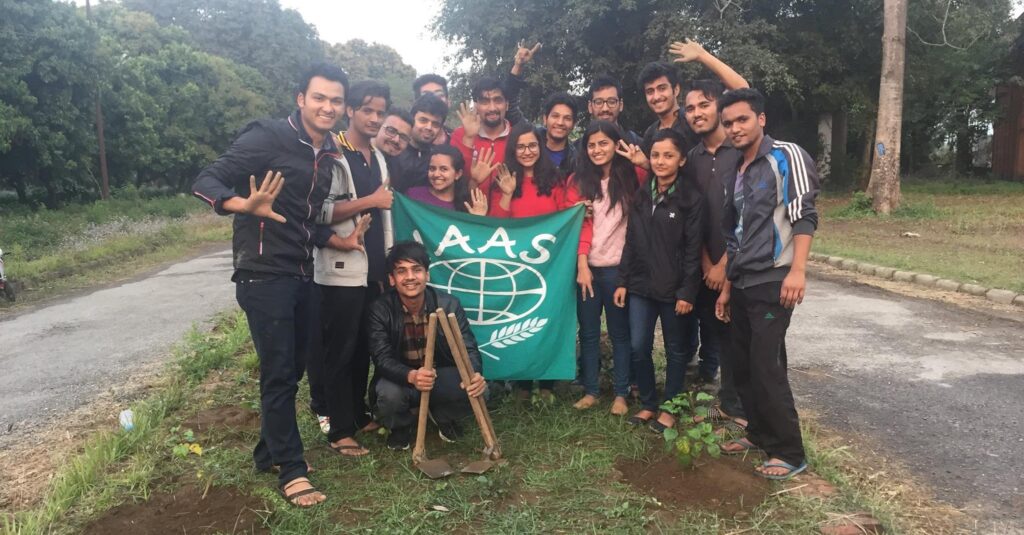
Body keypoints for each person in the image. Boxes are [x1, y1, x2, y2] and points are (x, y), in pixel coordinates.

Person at [190, 63, 352, 507]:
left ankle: (269, 451)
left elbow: (302, 220)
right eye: (319, 97)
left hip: (302, 272)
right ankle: (291, 469)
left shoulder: (327, 154)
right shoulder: (267, 136)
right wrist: (243, 204)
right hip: (263, 274)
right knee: (279, 372)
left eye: (336, 100)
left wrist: (339, 239)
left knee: (294, 368)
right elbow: (205, 180)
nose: (327, 106)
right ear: (301, 98)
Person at [715, 88, 819, 481]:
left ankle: (790, 452)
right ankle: (758, 433)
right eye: (728, 123)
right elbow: (735, 235)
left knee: (767, 365)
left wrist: (798, 270)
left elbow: (803, 214)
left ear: (761, 119)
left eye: (742, 119)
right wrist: (726, 287)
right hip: (741, 281)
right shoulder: (737, 170)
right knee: (743, 365)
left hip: (775, 278)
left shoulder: (785, 156)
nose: (735, 128)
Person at [309, 80, 394, 447]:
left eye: (380, 111)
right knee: (340, 350)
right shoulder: (332, 154)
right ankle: (339, 429)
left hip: (373, 269)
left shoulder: (377, 156)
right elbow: (318, 211)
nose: (374, 118)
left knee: (364, 346)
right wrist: (369, 200)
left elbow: (385, 211)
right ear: (351, 111)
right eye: (367, 110)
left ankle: (358, 415)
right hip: (340, 269)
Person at [613, 128, 703, 434]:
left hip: (675, 290)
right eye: (655, 155)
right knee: (639, 346)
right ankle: (650, 403)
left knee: (676, 350)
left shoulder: (691, 199)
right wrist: (623, 281)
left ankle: (670, 407)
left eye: (668, 155)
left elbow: (693, 251)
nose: (660, 161)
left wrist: (688, 291)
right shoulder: (642, 194)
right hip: (640, 287)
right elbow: (631, 241)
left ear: (681, 160)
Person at [367, 241, 487, 451]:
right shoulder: (380, 309)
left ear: (427, 275)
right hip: (403, 379)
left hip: (439, 376)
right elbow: (381, 358)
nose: (410, 277)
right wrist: (412, 376)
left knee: (477, 390)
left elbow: (468, 347)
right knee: (389, 395)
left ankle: (442, 415)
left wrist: (474, 372)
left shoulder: (449, 304)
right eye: (402, 271)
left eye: (417, 270)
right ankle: (401, 427)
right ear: (392, 279)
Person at [565, 121, 646, 415]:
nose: (597, 150)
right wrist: (582, 265)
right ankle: (591, 390)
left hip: (618, 271)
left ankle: (622, 394)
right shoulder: (576, 181)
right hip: (587, 269)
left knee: (619, 332)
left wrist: (644, 161)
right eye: (591, 144)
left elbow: (665, 178)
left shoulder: (632, 176)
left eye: (603, 143)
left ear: (616, 144)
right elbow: (573, 227)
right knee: (587, 332)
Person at [681, 77, 747, 428]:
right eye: (690, 108)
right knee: (711, 329)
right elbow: (695, 217)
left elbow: (748, 216)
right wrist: (708, 263)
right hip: (706, 264)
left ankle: (738, 411)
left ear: (720, 106)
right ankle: (712, 396)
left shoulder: (741, 152)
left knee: (737, 338)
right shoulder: (690, 159)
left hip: (739, 265)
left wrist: (724, 265)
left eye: (704, 105)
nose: (697, 113)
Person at [487, 122, 570, 401]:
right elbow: (497, 227)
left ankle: (547, 384)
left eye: (532, 145)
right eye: (520, 146)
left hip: (552, 266)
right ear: (513, 149)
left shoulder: (556, 180)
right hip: (517, 267)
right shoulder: (503, 180)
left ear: (541, 147)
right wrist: (508, 194)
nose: (527, 151)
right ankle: (522, 384)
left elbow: (565, 219)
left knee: (548, 321)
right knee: (521, 319)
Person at [638, 40, 750, 158]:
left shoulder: (693, 118)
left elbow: (743, 90)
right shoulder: (650, 134)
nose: (656, 97)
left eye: (662, 88)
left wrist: (702, 55)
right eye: (650, 91)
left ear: (675, 90)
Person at [452, 42, 540, 191]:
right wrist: (468, 139)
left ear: (507, 104)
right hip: (469, 213)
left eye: (497, 100)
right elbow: (452, 183)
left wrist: (518, 66)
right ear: (476, 105)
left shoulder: (519, 137)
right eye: (485, 102)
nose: (492, 108)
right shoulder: (459, 135)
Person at [406, 144, 489, 215]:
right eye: (432, 168)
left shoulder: (465, 207)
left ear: (458, 174)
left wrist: (477, 219)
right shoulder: (413, 195)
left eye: (443, 169)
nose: (436, 174)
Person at [393, 94, 449, 193]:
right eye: (423, 120)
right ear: (412, 118)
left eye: (435, 124)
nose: (429, 127)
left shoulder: (438, 159)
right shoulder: (393, 151)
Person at [584, 74, 642, 146]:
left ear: (621, 105)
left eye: (611, 102)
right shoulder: (578, 149)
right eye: (598, 102)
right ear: (590, 107)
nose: (605, 109)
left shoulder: (637, 145)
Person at [539, 92, 579, 175]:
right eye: (555, 116)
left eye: (567, 118)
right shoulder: (530, 148)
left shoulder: (576, 162)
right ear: (545, 119)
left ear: (573, 124)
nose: (560, 122)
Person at [412, 73, 453, 145]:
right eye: (426, 95)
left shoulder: (456, 139)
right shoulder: (402, 139)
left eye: (439, 95)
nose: (433, 99)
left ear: (448, 102)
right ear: (415, 102)